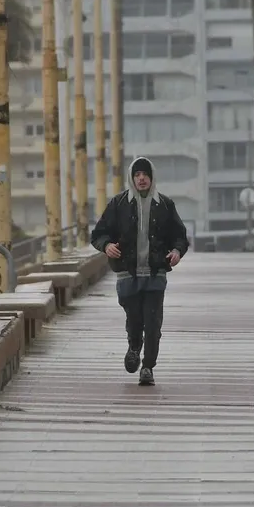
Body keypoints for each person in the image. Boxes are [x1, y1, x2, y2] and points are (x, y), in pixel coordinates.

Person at [91, 156, 189, 386]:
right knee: (135, 320)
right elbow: (98, 233)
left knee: (153, 323)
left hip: (155, 274)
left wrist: (176, 251)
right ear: (131, 178)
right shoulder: (119, 204)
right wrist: (107, 245)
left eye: (145, 174)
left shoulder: (165, 204)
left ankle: (148, 367)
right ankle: (134, 345)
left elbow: (180, 236)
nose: (141, 178)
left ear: (152, 177)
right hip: (128, 275)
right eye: (137, 174)